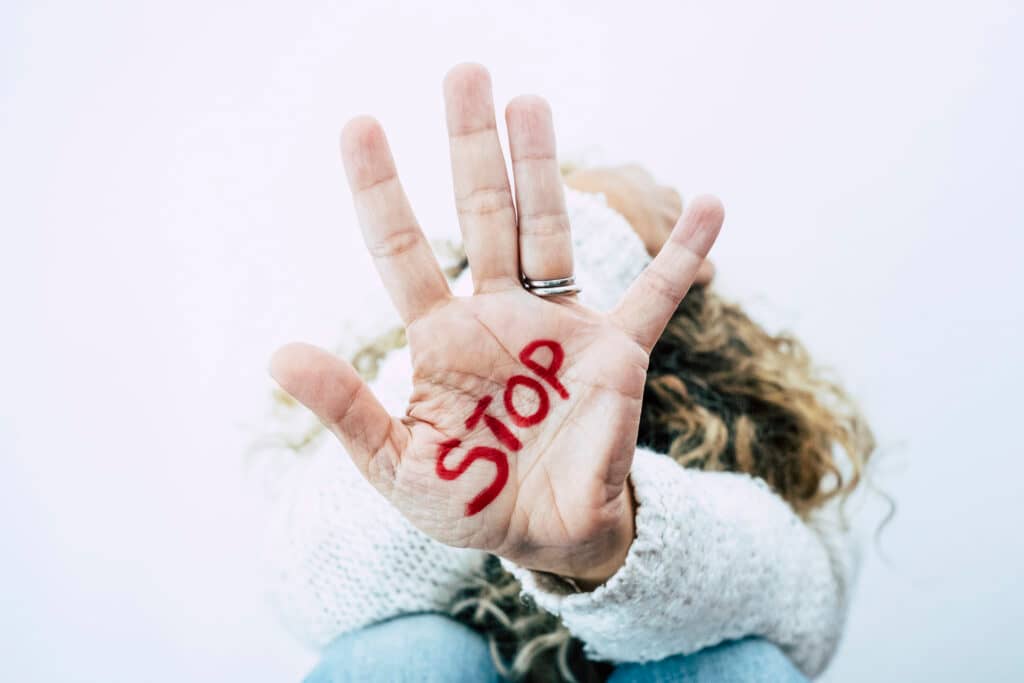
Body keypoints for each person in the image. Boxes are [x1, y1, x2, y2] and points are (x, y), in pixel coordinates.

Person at [263, 63, 874, 682]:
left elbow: (809, 613)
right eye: (568, 219)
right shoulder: (435, 363)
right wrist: (597, 243)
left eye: (591, 229)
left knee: (736, 665)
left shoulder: (759, 409)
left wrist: (611, 547)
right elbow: (309, 593)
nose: (584, 220)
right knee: (402, 655)